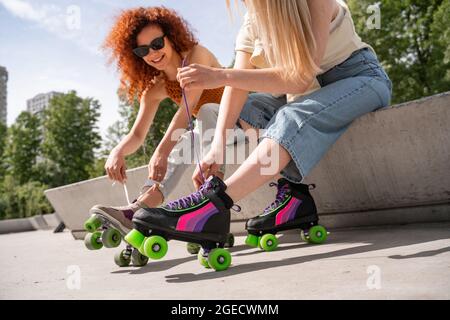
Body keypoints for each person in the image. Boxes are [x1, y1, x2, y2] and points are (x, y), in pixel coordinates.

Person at [127, 0, 392, 268]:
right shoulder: (252, 22)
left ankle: (213, 205)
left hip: (358, 80)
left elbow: (300, 77)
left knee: (290, 116)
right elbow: (238, 87)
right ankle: (294, 197)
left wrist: (220, 75)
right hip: (304, 95)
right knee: (250, 108)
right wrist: (216, 148)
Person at [92, 6, 244, 232]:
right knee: (185, 141)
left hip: (243, 121)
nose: (153, 54)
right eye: (143, 51)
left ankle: (212, 206)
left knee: (206, 112)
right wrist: (118, 152)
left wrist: (160, 152)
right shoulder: (156, 89)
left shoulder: (196, 56)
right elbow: (137, 134)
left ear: (171, 38)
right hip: (210, 134)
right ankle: (137, 212)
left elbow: (185, 111)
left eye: (157, 44)